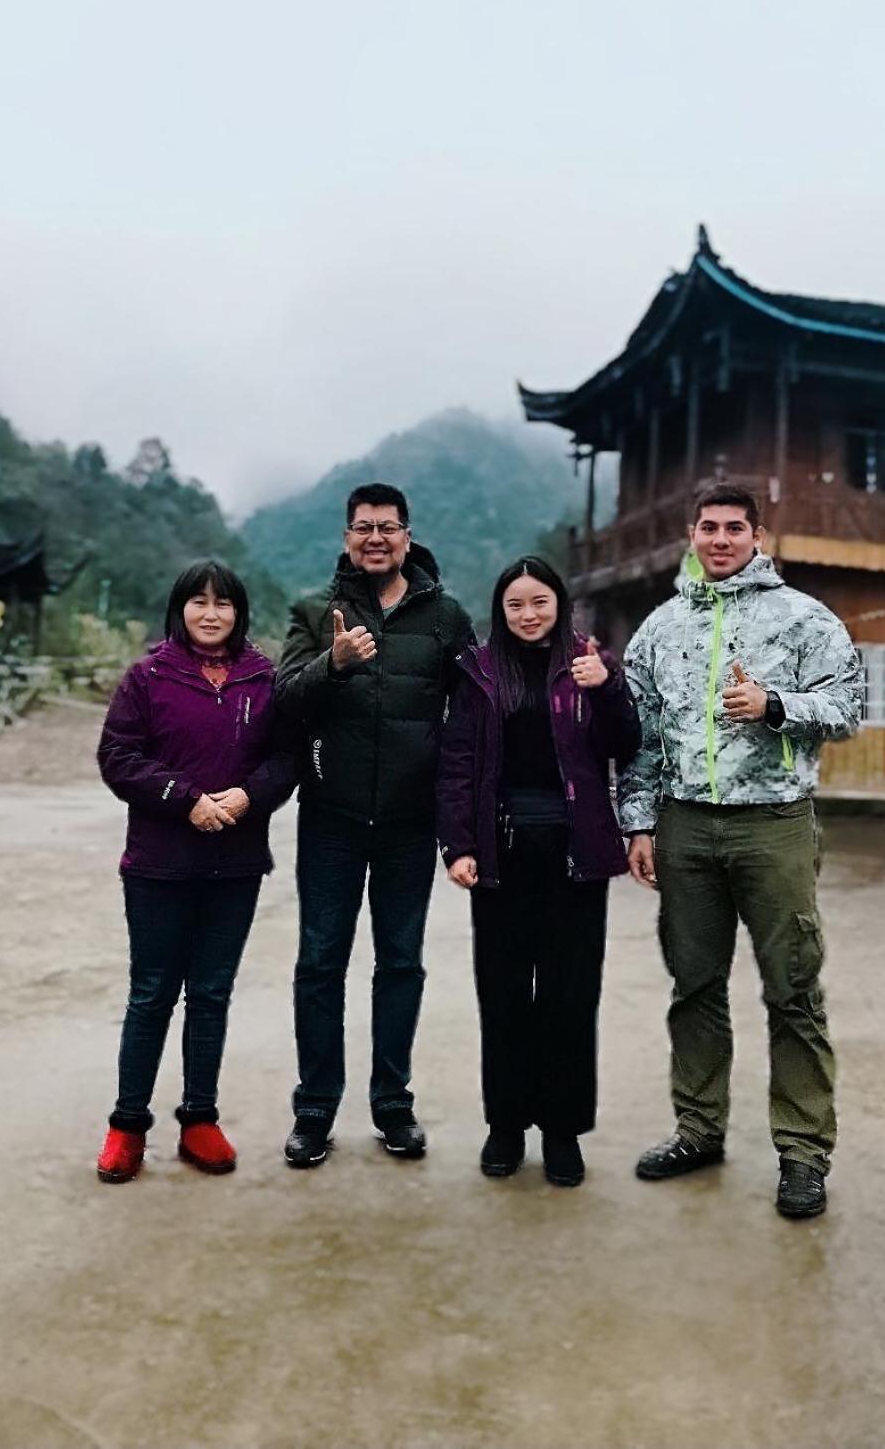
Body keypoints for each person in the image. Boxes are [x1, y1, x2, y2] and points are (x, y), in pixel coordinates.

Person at [620, 482, 862, 1218]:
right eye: (708, 527)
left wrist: (776, 706)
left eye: (734, 527)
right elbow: (642, 739)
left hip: (774, 822)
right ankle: (698, 1129)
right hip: (686, 824)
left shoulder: (804, 618)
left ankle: (803, 1152)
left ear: (759, 533)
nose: (720, 538)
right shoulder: (658, 629)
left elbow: (849, 708)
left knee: (792, 988)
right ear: (689, 534)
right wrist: (637, 821)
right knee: (693, 985)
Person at [275, 483, 473, 1167]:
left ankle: (393, 1104)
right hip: (330, 816)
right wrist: (334, 663)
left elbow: (474, 719)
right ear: (347, 537)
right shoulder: (314, 611)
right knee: (320, 962)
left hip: (409, 823)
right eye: (363, 527)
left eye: (388, 527)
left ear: (408, 537)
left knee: (400, 965)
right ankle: (314, 1110)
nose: (375, 538)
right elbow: (282, 702)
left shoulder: (445, 617)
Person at [438, 557, 640, 1186]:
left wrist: (605, 686)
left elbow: (626, 743)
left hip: (576, 856)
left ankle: (562, 1132)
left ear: (562, 604)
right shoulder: (478, 673)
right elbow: (456, 765)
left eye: (541, 602)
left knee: (570, 997)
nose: (529, 615)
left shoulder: (589, 663)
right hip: (500, 855)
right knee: (502, 997)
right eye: (516, 605)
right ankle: (505, 1126)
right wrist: (458, 846)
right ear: (500, 611)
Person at [94, 560, 295, 1183]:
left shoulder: (265, 679)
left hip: (234, 865)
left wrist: (246, 797)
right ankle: (127, 1126)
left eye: (224, 603)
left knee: (210, 996)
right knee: (152, 994)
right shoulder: (148, 677)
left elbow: (287, 758)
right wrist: (186, 798)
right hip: (158, 864)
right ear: (179, 609)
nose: (212, 613)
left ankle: (200, 1119)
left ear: (240, 612)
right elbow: (118, 757)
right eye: (199, 602)